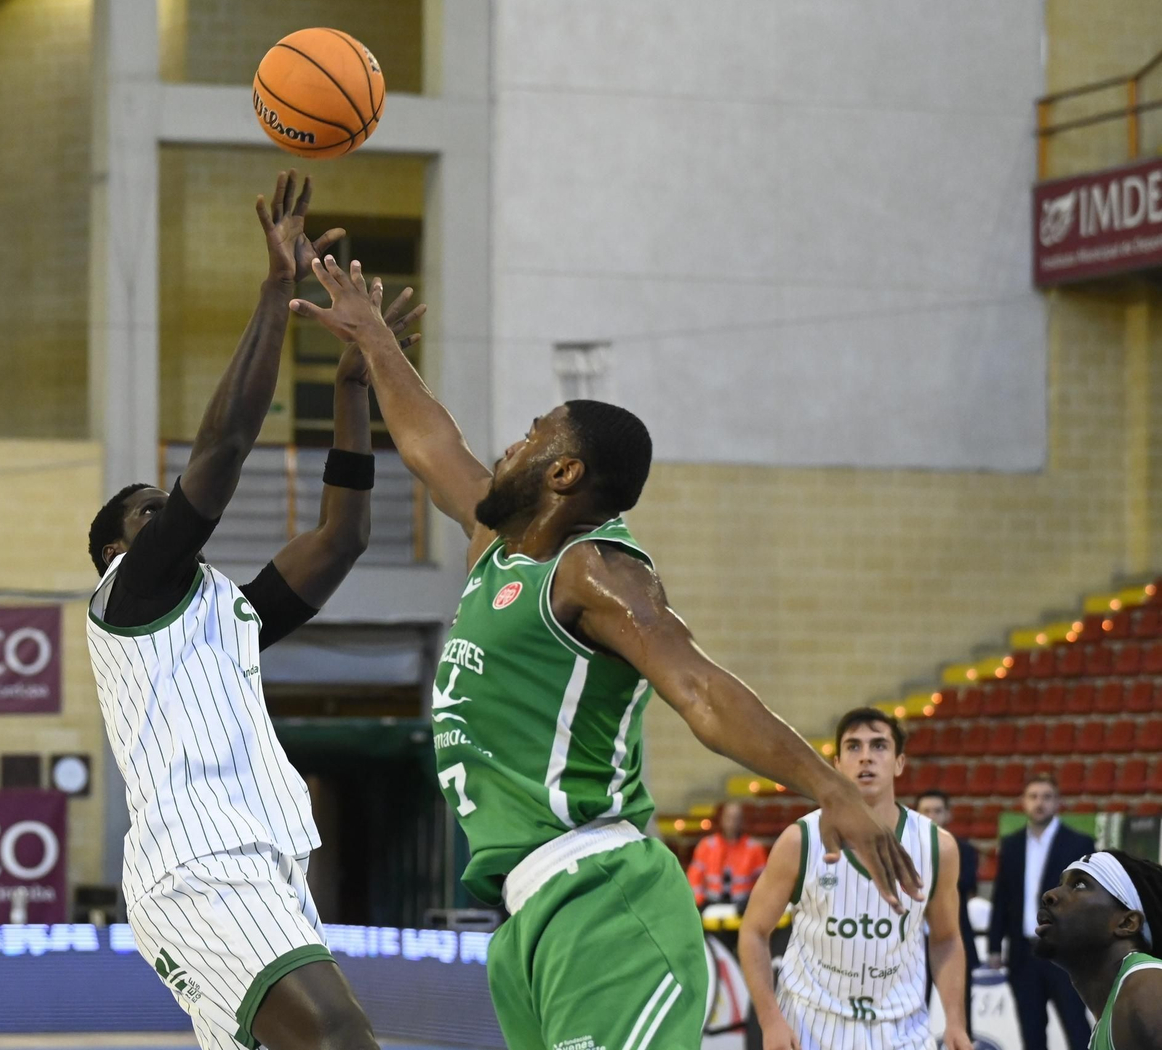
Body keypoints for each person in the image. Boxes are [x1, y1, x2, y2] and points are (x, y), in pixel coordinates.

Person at [290, 256, 923, 1050]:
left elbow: (696, 687)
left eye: (529, 437)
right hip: (531, 922)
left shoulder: (596, 567)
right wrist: (375, 340)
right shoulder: (501, 547)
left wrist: (831, 787)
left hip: (604, 899)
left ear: (563, 471)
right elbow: (427, 442)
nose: (508, 446)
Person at [83, 173, 420, 1050]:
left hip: (263, 871)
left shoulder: (224, 614)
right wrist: (278, 290)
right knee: (345, 1041)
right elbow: (224, 449)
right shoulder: (126, 599)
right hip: (199, 869)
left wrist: (352, 392)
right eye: (148, 514)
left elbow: (341, 538)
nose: (168, 518)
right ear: (119, 552)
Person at [738, 708, 971, 1050]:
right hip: (811, 1027)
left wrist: (955, 1022)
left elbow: (946, 939)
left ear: (898, 763)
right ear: (837, 764)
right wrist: (770, 1020)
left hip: (902, 1031)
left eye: (879, 746)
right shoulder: (800, 841)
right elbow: (753, 932)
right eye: (853, 747)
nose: (866, 758)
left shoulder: (937, 847)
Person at [986, 774, 1094, 1050]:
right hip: (1024, 953)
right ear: (1023, 802)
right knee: (1031, 1033)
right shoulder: (1011, 845)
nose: (1039, 803)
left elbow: (1089, 900)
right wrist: (995, 946)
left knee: (1077, 1028)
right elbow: (1002, 897)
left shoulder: (1079, 843)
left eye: (1046, 797)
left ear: (1058, 802)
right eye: (1033, 796)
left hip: (1064, 952)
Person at [1034, 850, 1162, 1049]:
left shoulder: (1147, 985)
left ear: (1126, 923)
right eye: (1062, 884)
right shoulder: (1109, 1019)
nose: (1049, 895)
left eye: (1080, 885)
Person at [917, 789, 978, 1035]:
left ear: (948, 815)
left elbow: (965, 885)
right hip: (912, 945)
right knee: (910, 1015)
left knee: (962, 1017)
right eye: (926, 811)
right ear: (916, 814)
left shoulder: (964, 850)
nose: (932, 816)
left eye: (937, 811)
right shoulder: (899, 848)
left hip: (954, 942)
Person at [688, 802, 769, 911]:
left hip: (743, 906)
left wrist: (753, 903)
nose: (732, 822)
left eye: (736, 818)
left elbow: (764, 881)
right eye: (729, 817)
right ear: (722, 819)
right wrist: (699, 902)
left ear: (742, 821)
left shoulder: (754, 848)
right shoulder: (707, 845)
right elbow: (694, 878)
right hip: (711, 904)